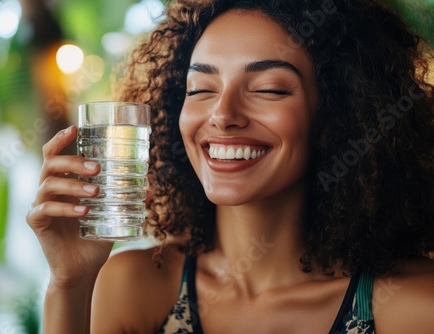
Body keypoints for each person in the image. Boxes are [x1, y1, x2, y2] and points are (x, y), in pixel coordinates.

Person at [26, 0, 434, 333]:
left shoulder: (412, 306)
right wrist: (70, 283)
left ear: (337, 117)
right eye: (201, 89)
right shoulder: (134, 287)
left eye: (269, 89)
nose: (222, 114)